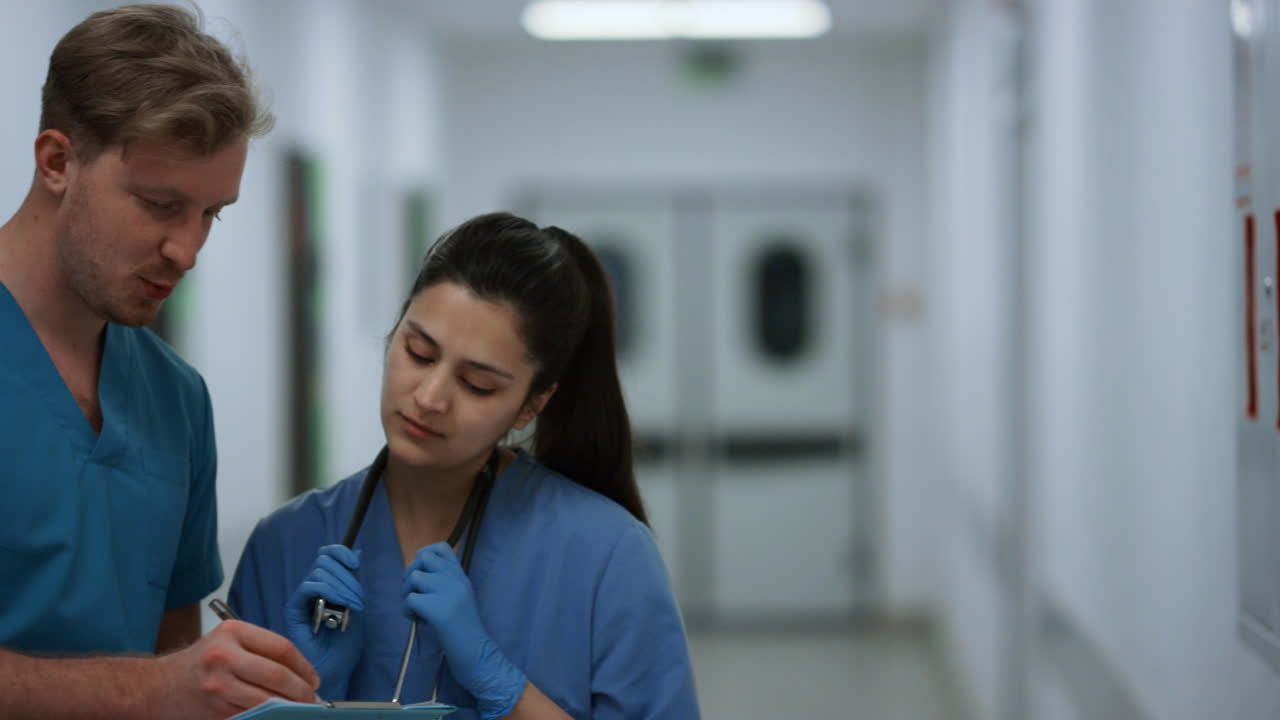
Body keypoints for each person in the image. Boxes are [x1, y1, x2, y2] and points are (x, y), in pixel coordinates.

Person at [229, 212, 701, 719]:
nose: (430, 397)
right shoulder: (284, 545)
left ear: (531, 405)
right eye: (418, 352)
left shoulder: (608, 555)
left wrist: (499, 682)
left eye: (478, 384)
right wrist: (308, 692)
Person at [0, 4, 323, 718]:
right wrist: (149, 690)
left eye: (211, 213)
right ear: (57, 162)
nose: (187, 251)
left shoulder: (176, 399)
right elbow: (157, 689)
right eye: (159, 204)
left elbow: (175, 667)